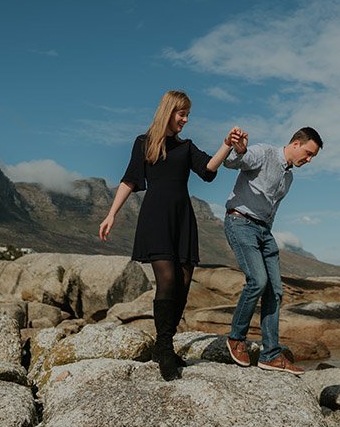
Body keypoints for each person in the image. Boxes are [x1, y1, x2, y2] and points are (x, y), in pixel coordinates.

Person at [99, 90, 240, 381]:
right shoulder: (144, 143)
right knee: (167, 279)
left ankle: (165, 343)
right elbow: (130, 179)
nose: (186, 120)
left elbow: (208, 170)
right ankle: (164, 347)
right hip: (156, 217)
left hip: (182, 218)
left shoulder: (186, 147)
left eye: (187, 114)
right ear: (169, 111)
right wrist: (112, 213)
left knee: (184, 281)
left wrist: (226, 145)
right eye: (182, 114)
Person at [222, 126, 323, 375]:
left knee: (275, 291)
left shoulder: (289, 177)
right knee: (257, 281)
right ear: (296, 143)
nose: (308, 160)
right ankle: (236, 338)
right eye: (308, 153)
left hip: (264, 232)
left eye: (312, 157)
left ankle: (270, 355)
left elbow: (271, 209)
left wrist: (266, 233)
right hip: (240, 222)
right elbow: (234, 162)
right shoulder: (264, 152)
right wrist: (239, 149)